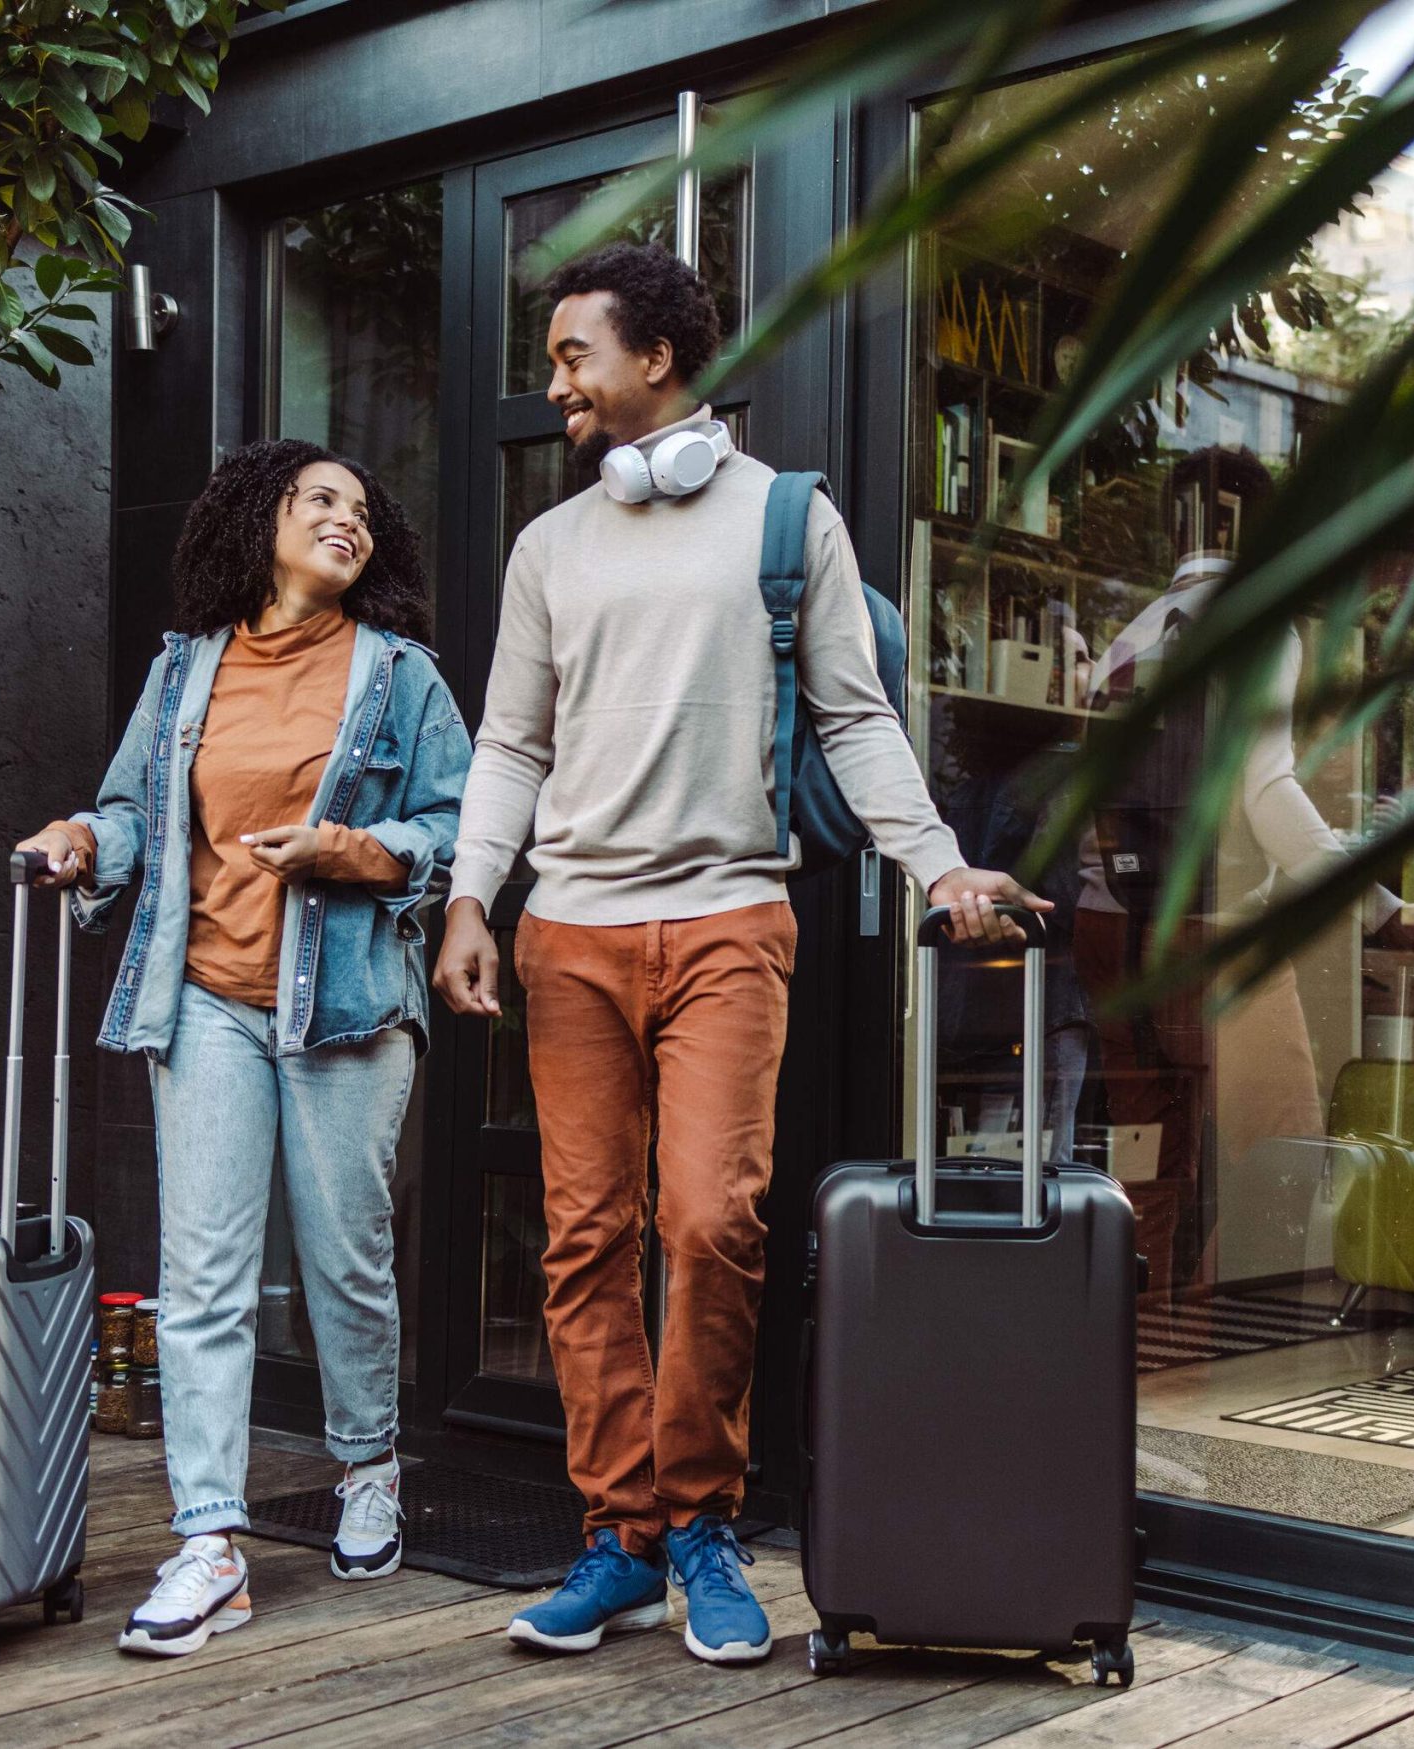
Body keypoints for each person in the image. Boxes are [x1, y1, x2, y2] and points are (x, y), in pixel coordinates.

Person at [432, 241, 1047, 1667]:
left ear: (657, 356)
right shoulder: (549, 549)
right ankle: (618, 1538)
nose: (554, 382)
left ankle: (703, 1518)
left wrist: (937, 862)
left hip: (727, 919)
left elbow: (856, 718)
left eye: (574, 353)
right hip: (569, 928)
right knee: (585, 1236)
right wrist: (472, 898)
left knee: (711, 1224)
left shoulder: (787, 521)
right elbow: (510, 741)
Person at [15, 439, 471, 1657]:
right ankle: (208, 1543)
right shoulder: (183, 672)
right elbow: (131, 815)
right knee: (202, 1276)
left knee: (344, 1258)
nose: (345, 520)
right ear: (253, 522)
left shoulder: (399, 676)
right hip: (204, 995)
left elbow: (457, 822)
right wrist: (78, 837)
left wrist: (360, 855)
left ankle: (366, 1466)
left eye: (363, 512)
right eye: (319, 499)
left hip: (347, 1003)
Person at [1075, 446, 1414, 1280]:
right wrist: (1384, 909)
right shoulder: (1261, 624)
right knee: (1282, 1152)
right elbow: (1267, 793)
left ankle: (1138, 1358)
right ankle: (1228, 1360)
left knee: (1149, 1160)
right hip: (1219, 932)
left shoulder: (1126, 638)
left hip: (1110, 926)